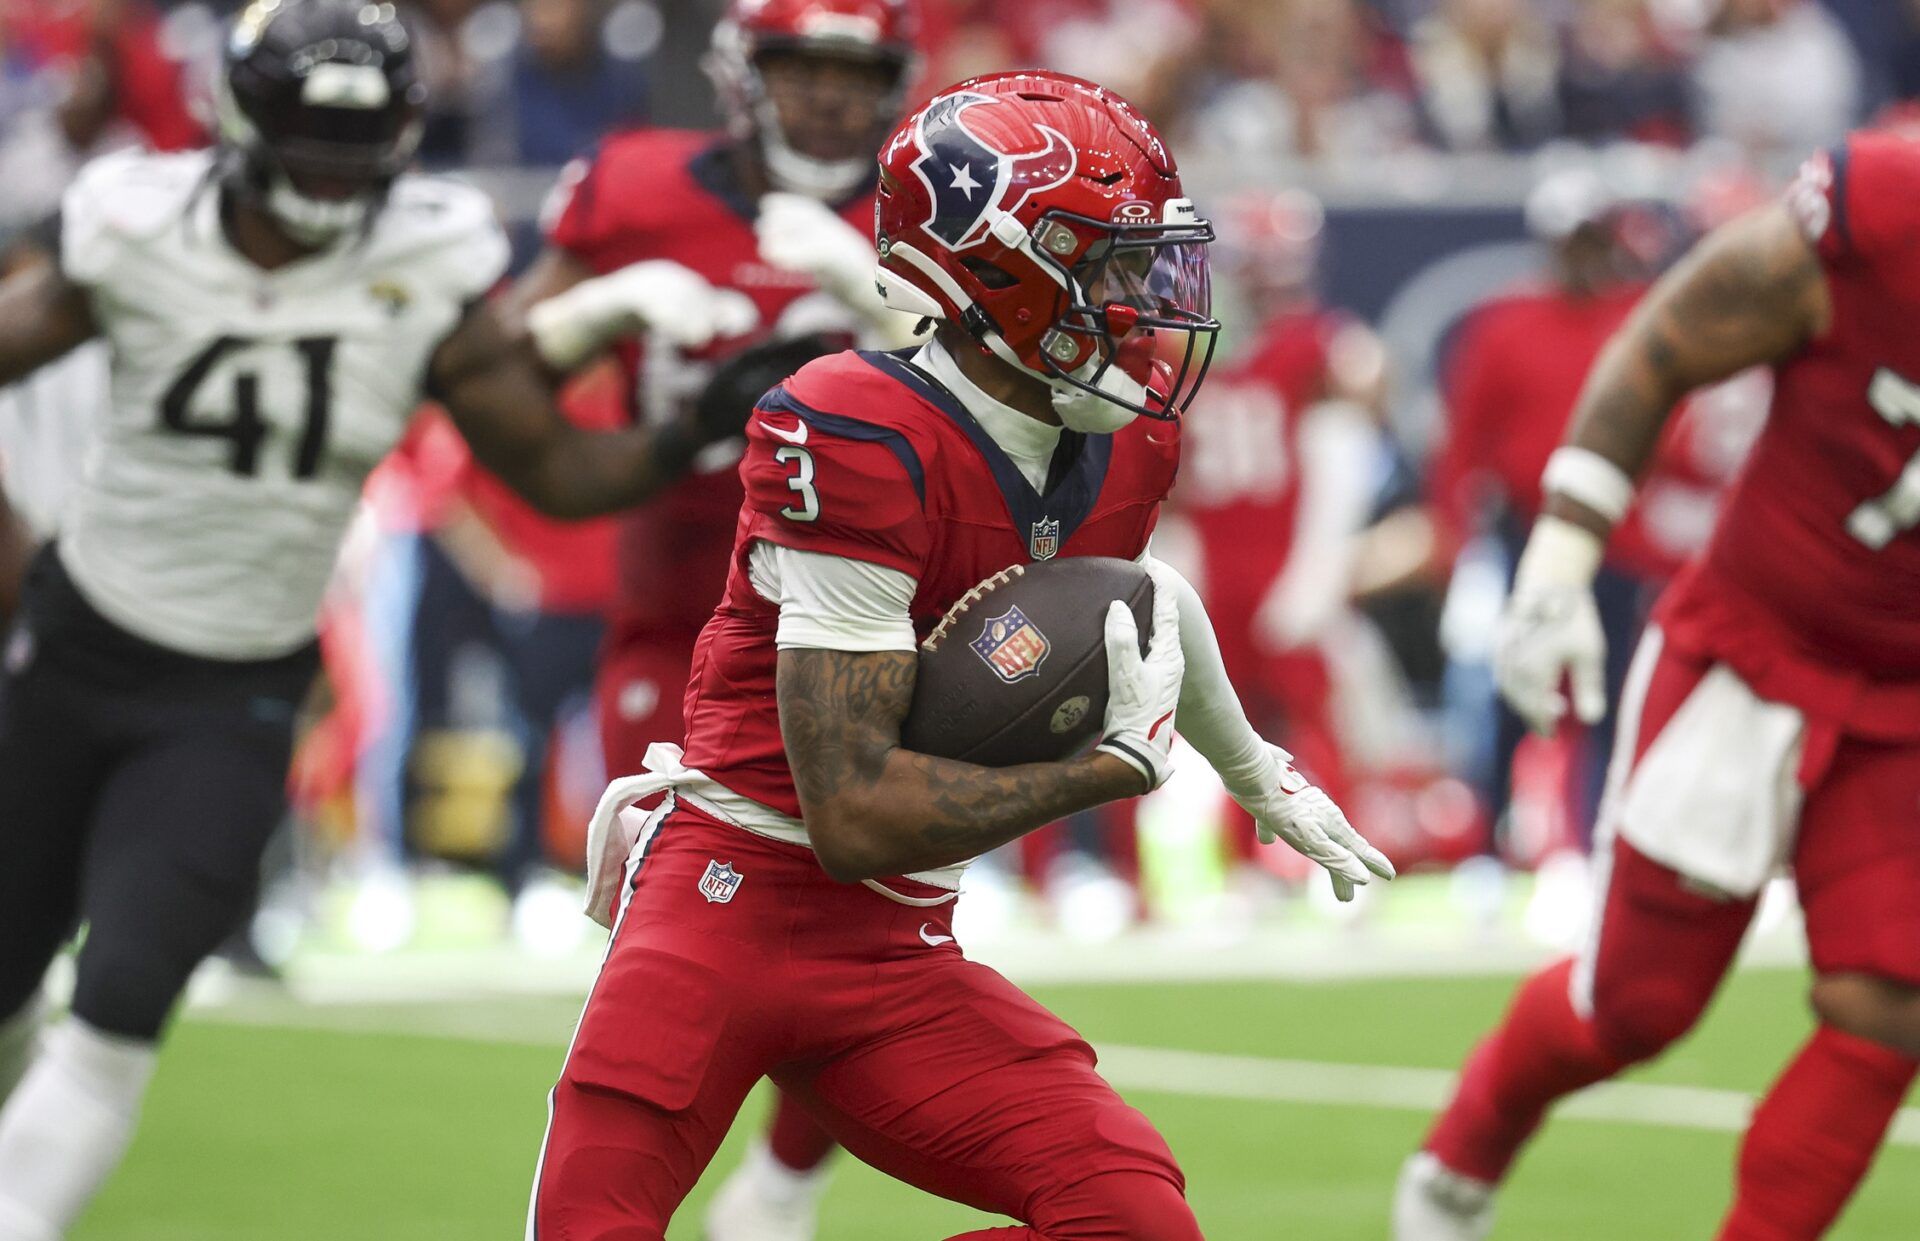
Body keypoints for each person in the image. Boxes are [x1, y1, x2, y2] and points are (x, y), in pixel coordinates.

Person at [527, 70, 1395, 1239]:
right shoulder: (852, 426)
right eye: (1109, 266)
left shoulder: (1125, 441)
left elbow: (1142, 598)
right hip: (725, 908)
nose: (1143, 300)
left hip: (896, 942)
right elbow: (853, 812)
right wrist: (1106, 773)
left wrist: (1258, 773)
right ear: (999, 271)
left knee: (1133, 1217)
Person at [0, 2, 754, 1236]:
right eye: (309, 132)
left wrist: (678, 435)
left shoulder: (427, 254)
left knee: (121, 1004)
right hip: (74, 645)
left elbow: (550, 468)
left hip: (232, 690)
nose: (334, 167)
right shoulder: (138, 221)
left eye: (361, 136)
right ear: (246, 120)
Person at [1396, 131, 1920, 1240]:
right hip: (1755, 645)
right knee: (1635, 1009)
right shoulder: (1887, 211)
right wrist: (1561, 555)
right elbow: (1666, 340)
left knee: (1891, 1003)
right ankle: (1465, 1151)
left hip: (1909, 698)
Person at [503, 1, 923, 1233]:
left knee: (873, 921)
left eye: (860, 74)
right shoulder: (638, 186)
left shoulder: (924, 211)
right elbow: (504, 370)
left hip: (861, 615)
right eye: (807, 69)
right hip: (683, 601)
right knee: (664, 927)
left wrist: (874, 289)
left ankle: (780, 1190)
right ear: (745, 74)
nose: (836, 100)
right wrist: (607, 305)